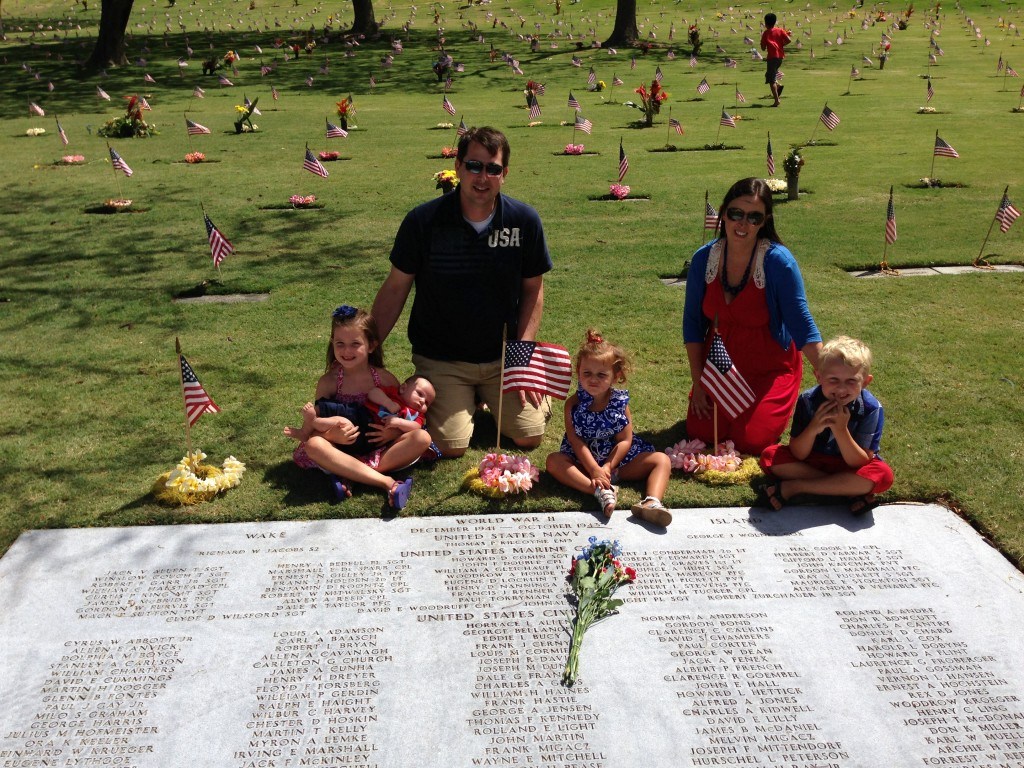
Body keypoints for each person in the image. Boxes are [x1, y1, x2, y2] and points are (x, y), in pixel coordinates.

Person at [372, 126, 552, 459]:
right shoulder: (423, 221)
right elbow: (396, 288)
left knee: (529, 435)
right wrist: (368, 349)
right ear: (457, 166)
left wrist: (522, 359)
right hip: (442, 358)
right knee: (452, 445)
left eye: (493, 168)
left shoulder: (524, 220)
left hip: (501, 357)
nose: (482, 177)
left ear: (504, 174)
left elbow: (533, 290)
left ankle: (496, 394)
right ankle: (458, 394)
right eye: (473, 165)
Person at [683, 177, 822, 456]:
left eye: (754, 217)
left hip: (770, 368)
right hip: (722, 367)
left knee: (750, 441)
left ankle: (768, 409)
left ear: (765, 221)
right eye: (736, 214)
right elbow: (693, 325)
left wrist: (830, 375)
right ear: (723, 213)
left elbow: (801, 323)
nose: (742, 224)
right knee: (700, 431)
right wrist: (699, 383)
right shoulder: (703, 259)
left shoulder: (778, 262)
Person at [284, 305, 433, 507]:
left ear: (371, 345)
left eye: (355, 344)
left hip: (379, 448)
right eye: (340, 344)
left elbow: (403, 415)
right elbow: (316, 425)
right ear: (332, 344)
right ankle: (384, 481)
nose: (347, 351)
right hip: (340, 448)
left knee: (422, 437)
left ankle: (352, 474)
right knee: (314, 445)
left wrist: (392, 434)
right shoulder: (328, 382)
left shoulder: (384, 378)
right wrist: (332, 436)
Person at [547, 329, 673, 527]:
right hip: (584, 464)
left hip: (619, 465)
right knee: (553, 461)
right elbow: (575, 441)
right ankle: (598, 491)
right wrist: (594, 470)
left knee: (662, 460)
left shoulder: (620, 403)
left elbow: (625, 440)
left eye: (601, 375)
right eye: (586, 373)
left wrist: (607, 467)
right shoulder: (572, 405)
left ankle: (652, 503)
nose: (593, 379)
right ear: (578, 372)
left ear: (616, 376)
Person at [758, 336, 894, 514]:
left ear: (865, 382)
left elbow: (860, 461)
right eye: (833, 380)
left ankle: (796, 487)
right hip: (812, 461)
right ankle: (847, 490)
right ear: (819, 377)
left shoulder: (871, 408)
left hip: (849, 465)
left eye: (851, 381)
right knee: (770, 455)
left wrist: (841, 430)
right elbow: (798, 453)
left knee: (883, 475)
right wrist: (814, 427)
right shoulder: (808, 401)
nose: (841, 389)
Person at [760, 12, 791, 107]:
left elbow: (763, 48)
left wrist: (763, 43)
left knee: (771, 80)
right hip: (780, 57)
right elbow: (789, 40)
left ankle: (777, 100)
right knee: (769, 74)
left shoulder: (766, 33)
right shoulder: (780, 30)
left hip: (772, 58)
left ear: (766, 23)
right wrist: (781, 46)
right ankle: (778, 86)